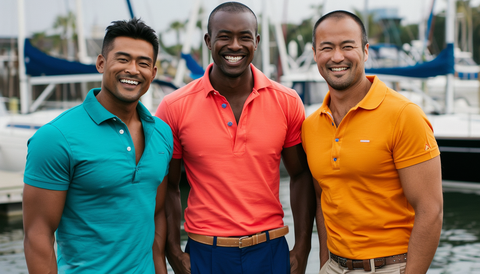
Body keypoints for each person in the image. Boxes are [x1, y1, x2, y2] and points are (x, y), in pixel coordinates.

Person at [155, 2, 316, 274]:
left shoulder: (287, 102)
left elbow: (300, 176)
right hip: (204, 254)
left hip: (270, 251)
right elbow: (168, 186)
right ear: (208, 41)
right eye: (224, 36)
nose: (234, 45)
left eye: (244, 37)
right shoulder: (174, 106)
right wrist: (173, 252)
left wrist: (302, 249)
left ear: (257, 41)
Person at [22, 18, 173, 274]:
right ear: (101, 63)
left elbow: (156, 213)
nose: (133, 70)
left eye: (143, 63)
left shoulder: (162, 133)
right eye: (123, 59)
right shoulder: (56, 137)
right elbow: (38, 234)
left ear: (153, 73)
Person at [302, 10, 443, 274]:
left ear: (366, 51)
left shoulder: (404, 115)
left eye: (348, 46)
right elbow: (323, 201)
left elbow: (431, 210)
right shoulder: (311, 126)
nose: (337, 57)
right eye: (327, 48)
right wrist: (324, 264)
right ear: (314, 54)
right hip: (334, 266)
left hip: (392, 267)